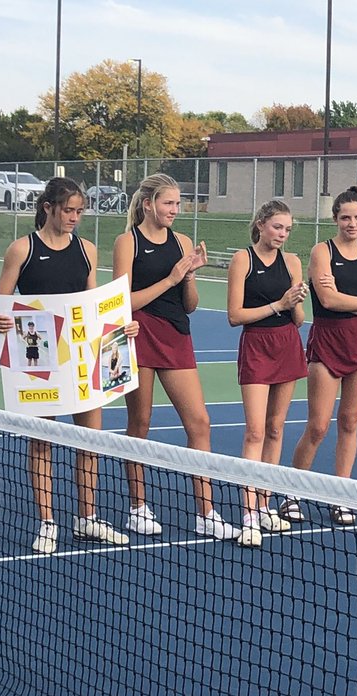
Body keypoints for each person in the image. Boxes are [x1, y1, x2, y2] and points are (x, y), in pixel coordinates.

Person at [0, 177, 134, 555]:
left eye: (79, 211)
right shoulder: (22, 249)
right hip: (40, 358)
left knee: (90, 441)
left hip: (83, 358)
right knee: (43, 442)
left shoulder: (87, 250)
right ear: (48, 208)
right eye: (67, 210)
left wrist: (122, 324)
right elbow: (0, 300)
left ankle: (87, 517)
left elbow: (94, 303)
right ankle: (47, 522)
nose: (73, 217)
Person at [113, 172, 239, 539]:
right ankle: (137, 507)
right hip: (137, 333)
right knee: (141, 422)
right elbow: (120, 303)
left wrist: (187, 277)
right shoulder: (128, 242)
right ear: (149, 204)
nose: (175, 209)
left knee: (200, 422)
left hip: (176, 335)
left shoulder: (182, 241)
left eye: (178, 203)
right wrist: (170, 278)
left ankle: (206, 512)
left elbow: (192, 305)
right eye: (168, 203)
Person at [282, 185, 357, 527]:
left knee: (350, 422)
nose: (352, 223)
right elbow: (328, 302)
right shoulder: (321, 252)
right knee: (317, 426)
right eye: (346, 217)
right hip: (327, 344)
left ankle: (339, 495)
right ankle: (292, 492)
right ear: (336, 219)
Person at [226, 200, 308, 547]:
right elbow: (234, 315)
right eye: (277, 227)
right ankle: (247, 513)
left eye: (287, 229)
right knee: (255, 431)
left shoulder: (292, 262)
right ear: (261, 224)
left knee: (276, 428)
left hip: (287, 344)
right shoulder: (243, 259)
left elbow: (300, 318)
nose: (282, 234)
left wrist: (297, 299)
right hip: (257, 346)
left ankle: (265, 503)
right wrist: (278, 304)